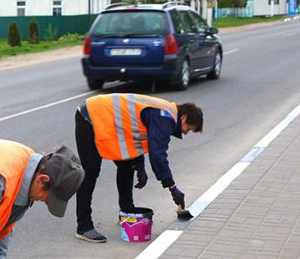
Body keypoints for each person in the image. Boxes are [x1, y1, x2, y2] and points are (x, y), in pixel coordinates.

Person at [74, 93, 203, 242]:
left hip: (108, 120)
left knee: (127, 165)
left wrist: (139, 164)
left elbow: (135, 133)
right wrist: (172, 187)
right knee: (90, 172)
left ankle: (127, 212)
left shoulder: (166, 112)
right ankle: (83, 226)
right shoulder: (164, 117)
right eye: (189, 128)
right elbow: (158, 155)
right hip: (90, 116)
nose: (186, 132)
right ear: (184, 118)